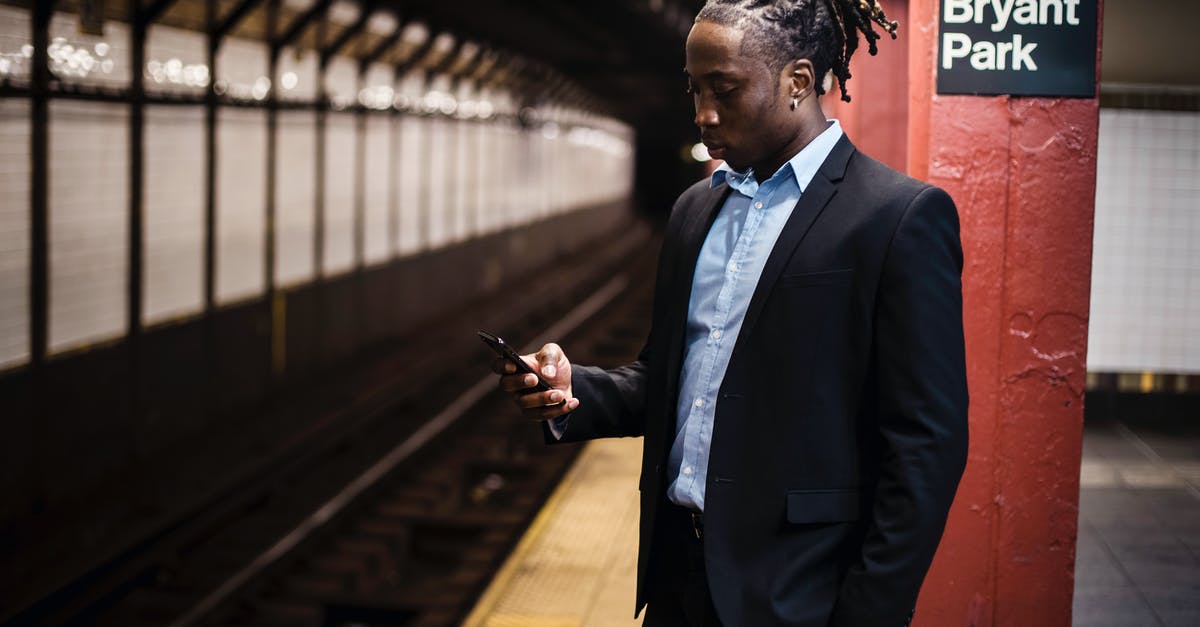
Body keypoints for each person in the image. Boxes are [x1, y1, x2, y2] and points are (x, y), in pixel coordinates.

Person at [493, 1, 968, 625]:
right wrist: (574, 387)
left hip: (798, 591)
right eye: (694, 89)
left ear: (798, 82)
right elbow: (670, 378)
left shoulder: (896, 218)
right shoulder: (697, 210)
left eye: (726, 89)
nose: (703, 115)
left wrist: (867, 612)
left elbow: (926, 446)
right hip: (677, 580)